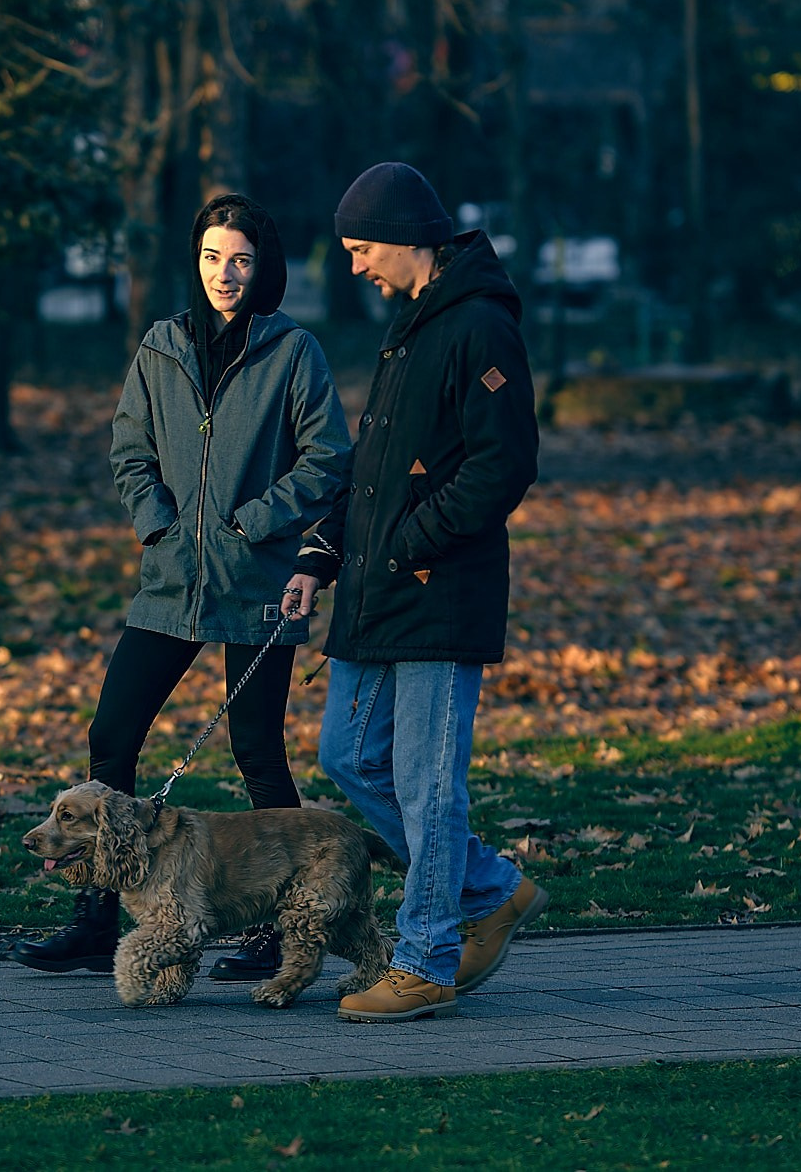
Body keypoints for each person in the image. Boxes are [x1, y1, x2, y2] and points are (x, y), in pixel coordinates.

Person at [13, 193, 350, 981]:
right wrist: (157, 525)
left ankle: (275, 927)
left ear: (263, 267)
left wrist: (254, 520)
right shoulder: (161, 345)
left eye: (241, 260)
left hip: (257, 580)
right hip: (170, 581)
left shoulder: (293, 352)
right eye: (211, 257)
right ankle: (96, 915)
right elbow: (129, 447)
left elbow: (328, 457)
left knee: (258, 753)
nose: (225, 274)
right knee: (111, 738)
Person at [291, 162, 545, 1022]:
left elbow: (503, 466)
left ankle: (427, 959)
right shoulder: (411, 323)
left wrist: (411, 542)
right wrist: (321, 555)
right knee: (348, 756)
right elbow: (374, 466)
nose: (355, 265)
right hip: (376, 593)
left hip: (439, 593)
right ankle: (492, 888)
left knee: (429, 785)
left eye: (362, 247)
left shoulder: (479, 324)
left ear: (405, 237)